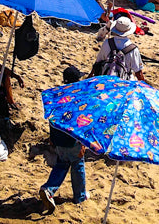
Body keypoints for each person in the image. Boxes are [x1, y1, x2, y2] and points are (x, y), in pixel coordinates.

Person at [39, 66, 88, 213]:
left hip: (58, 138)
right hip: (73, 140)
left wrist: (52, 138)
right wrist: (83, 142)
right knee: (78, 166)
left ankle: (48, 189)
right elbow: (82, 122)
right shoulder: (79, 98)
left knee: (61, 165)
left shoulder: (57, 95)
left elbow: (51, 118)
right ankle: (80, 196)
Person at [90, 17, 146, 82]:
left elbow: (98, 62)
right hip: (124, 82)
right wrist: (144, 86)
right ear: (129, 31)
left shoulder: (107, 42)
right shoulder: (133, 49)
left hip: (106, 79)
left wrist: (90, 77)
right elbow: (138, 72)